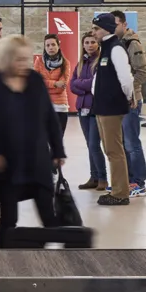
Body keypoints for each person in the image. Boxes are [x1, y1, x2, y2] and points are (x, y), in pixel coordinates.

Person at [0, 35, 66, 245]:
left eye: (26, 59)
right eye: (18, 59)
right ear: (7, 59)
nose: (24, 64)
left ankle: (58, 263)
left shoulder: (35, 80)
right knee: (7, 218)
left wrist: (58, 150)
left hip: (37, 160)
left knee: (48, 215)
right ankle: (5, 262)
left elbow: (50, 118)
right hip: (8, 165)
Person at [87, 13, 137, 206]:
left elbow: (126, 78)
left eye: (96, 29)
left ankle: (120, 192)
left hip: (111, 107)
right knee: (109, 149)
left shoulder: (116, 49)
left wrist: (128, 97)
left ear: (107, 29)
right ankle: (118, 189)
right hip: (102, 106)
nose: (93, 32)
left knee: (115, 150)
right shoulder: (106, 48)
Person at [113, 11, 146, 197]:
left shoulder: (132, 43)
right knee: (121, 143)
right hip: (118, 102)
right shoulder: (115, 44)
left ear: (124, 24)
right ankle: (127, 181)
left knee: (132, 143)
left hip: (131, 101)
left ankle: (139, 182)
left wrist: (128, 89)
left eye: (116, 24)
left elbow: (143, 72)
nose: (113, 28)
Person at [72, 30, 107, 190]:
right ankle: (93, 177)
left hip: (95, 109)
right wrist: (85, 85)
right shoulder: (80, 63)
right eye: (86, 42)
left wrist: (83, 84)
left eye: (92, 42)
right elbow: (72, 85)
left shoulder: (101, 61)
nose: (90, 45)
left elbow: (96, 83)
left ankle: (102, 178)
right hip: (82, 108)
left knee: (94, 144)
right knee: (89, 144)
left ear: (97, 43)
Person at [34, 33, 71, 155]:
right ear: (44, 47)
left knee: (57, 141)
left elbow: (62, 86)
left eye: (53, 45)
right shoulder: (39, 62)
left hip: (61, 106)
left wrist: (47, 84)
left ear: (58, 46)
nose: (51, 47)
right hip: (43, 105)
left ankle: (58, 170)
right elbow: (36, 83)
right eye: (48, 45)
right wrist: (55, 84)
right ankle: (46, 168)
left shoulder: (66, 63)